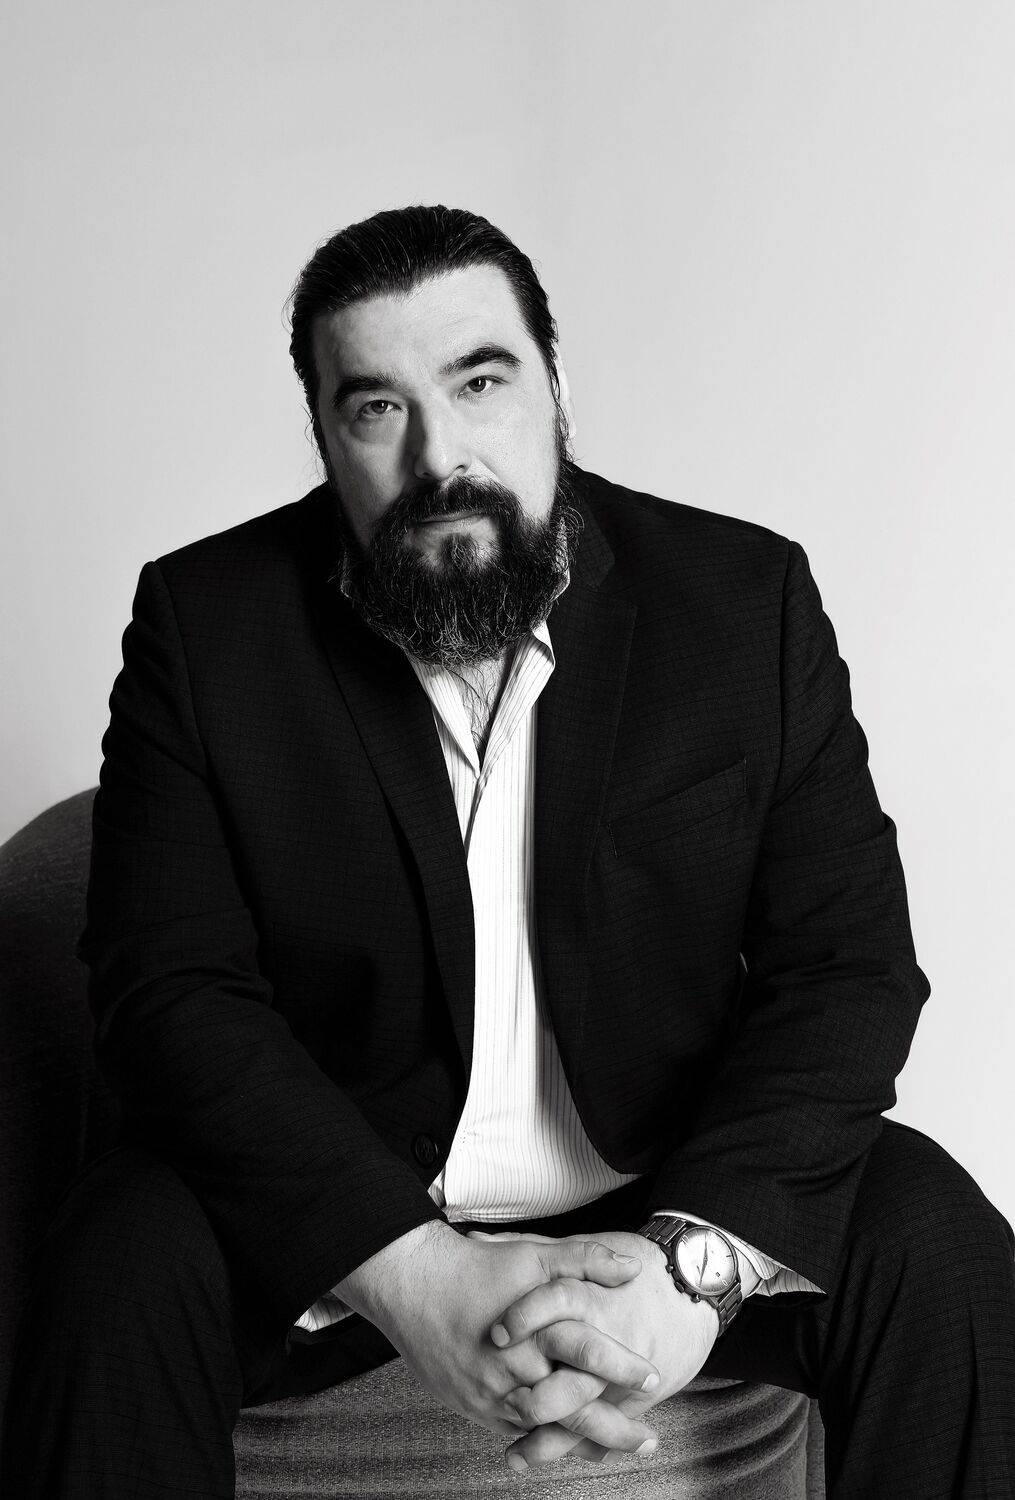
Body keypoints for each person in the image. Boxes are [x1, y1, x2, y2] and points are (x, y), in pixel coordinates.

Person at [3, 204, 1013, 1499]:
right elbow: (168, 996)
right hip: (349, 1204)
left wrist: (692, 1270)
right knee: (116, 1265)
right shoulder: (205, 630)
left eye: (480, 382)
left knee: (942, 1246)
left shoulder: (742, 602)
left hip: (662, 1181)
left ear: (555, 384)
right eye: (379, 408)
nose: (443, 457)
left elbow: (848, 968)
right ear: (323, 434)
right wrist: (411, 1273)